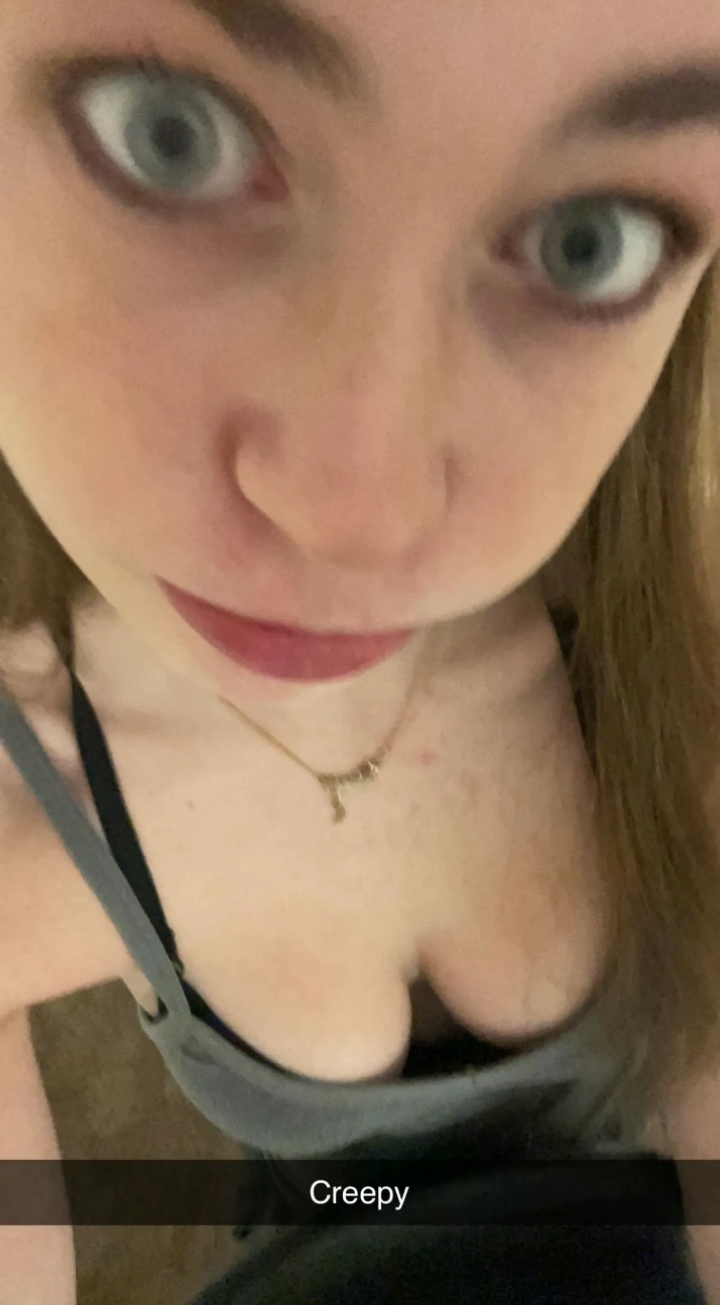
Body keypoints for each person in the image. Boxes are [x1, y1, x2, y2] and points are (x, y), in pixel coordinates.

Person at [1, 0, 720, 1300]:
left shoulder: (669, 603)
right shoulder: (29, 795)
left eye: (591, 242)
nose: (366, 518)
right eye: (172, 136)